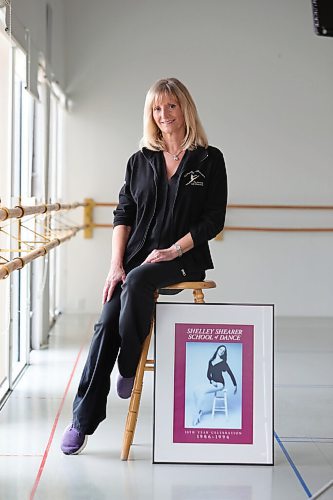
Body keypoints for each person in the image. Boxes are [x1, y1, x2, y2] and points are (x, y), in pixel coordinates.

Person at [61, 77, 228, 455]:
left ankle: (128, 363)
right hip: (137, 260)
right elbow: (124, 213)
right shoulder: (140, 160)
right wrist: (114, 265)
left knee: (138, 283)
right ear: (150, 114)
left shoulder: (209, 158)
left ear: (185, 108)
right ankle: (81, 422)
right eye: (157, 108)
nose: (164, 114)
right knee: (105, 322)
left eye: (171, 106)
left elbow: (213, 220)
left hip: (183, 259)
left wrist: (174, 250)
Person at [192, 344, 237, 426]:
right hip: (213, 383)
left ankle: (196, 415)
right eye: (221, 349)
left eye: (223, 351)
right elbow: (208, 374)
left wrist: (235, 385)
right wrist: (212, 381)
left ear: (224, 353)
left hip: (220, 384)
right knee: (196, 390)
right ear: (217, 349)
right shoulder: (211, 361)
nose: (222, 352)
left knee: (202, 391)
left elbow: (230, 374)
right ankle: (199, 411)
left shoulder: (223, 363)